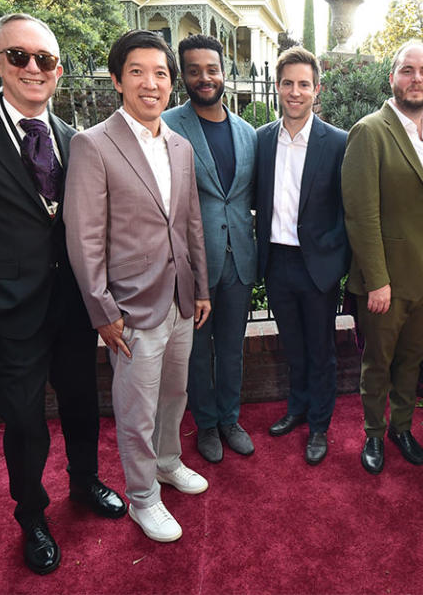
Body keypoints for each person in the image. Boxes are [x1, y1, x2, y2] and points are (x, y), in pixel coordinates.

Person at [0, 13, 125, 575]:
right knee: (26, 420)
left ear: (59, 70)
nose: (34, 68)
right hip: (11, 314)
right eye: (20, 56)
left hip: (73, 308)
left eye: (46, 60)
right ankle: (32, 516)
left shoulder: (72, 138)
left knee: (84, 405)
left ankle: (84, 483)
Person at [64, 30, 211, 542]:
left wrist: (202, 287)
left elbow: (190, 222)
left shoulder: (180, 145)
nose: (152, 83)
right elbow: (83, 237)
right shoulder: (92, 144)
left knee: (175, 392)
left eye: (161, 73)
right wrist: (103, 310)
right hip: (130, 309)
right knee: (135, 408)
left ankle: (168, 462)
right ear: (116, 79)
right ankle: (143, 497)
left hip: (179, 300)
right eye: (138, 72)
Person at [342, 42, 423, 475]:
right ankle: (373, 433)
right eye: (407, 70)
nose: (416, 79)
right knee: (380, 361)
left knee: (413, 359)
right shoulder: (370, 132)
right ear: (392, 78)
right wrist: (376, 279)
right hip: (386, 280)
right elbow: (360, 212)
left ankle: (401, 428)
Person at [162, 34, 257, 464]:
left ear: (224, 72)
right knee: (198, 353)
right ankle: (205, 425)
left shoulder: (247, 131)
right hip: (193, 264)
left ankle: (230, 418)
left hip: (240, 260)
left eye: (212, 69)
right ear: (184, 74)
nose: (205, 77)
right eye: (195, 70)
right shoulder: (167, 125)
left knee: (232, 347)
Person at [255, 47, 349, 465]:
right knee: (292, 345)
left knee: (321, 349)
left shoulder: (338, 142)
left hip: (318, 266)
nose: (296, 92)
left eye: (304, 84)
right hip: (277, 261)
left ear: (316, 89)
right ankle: (296, 408)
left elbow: (350, 208)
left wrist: (337, 260)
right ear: (277, 86)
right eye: (288, 83)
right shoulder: (259, 141)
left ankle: (319, 424)